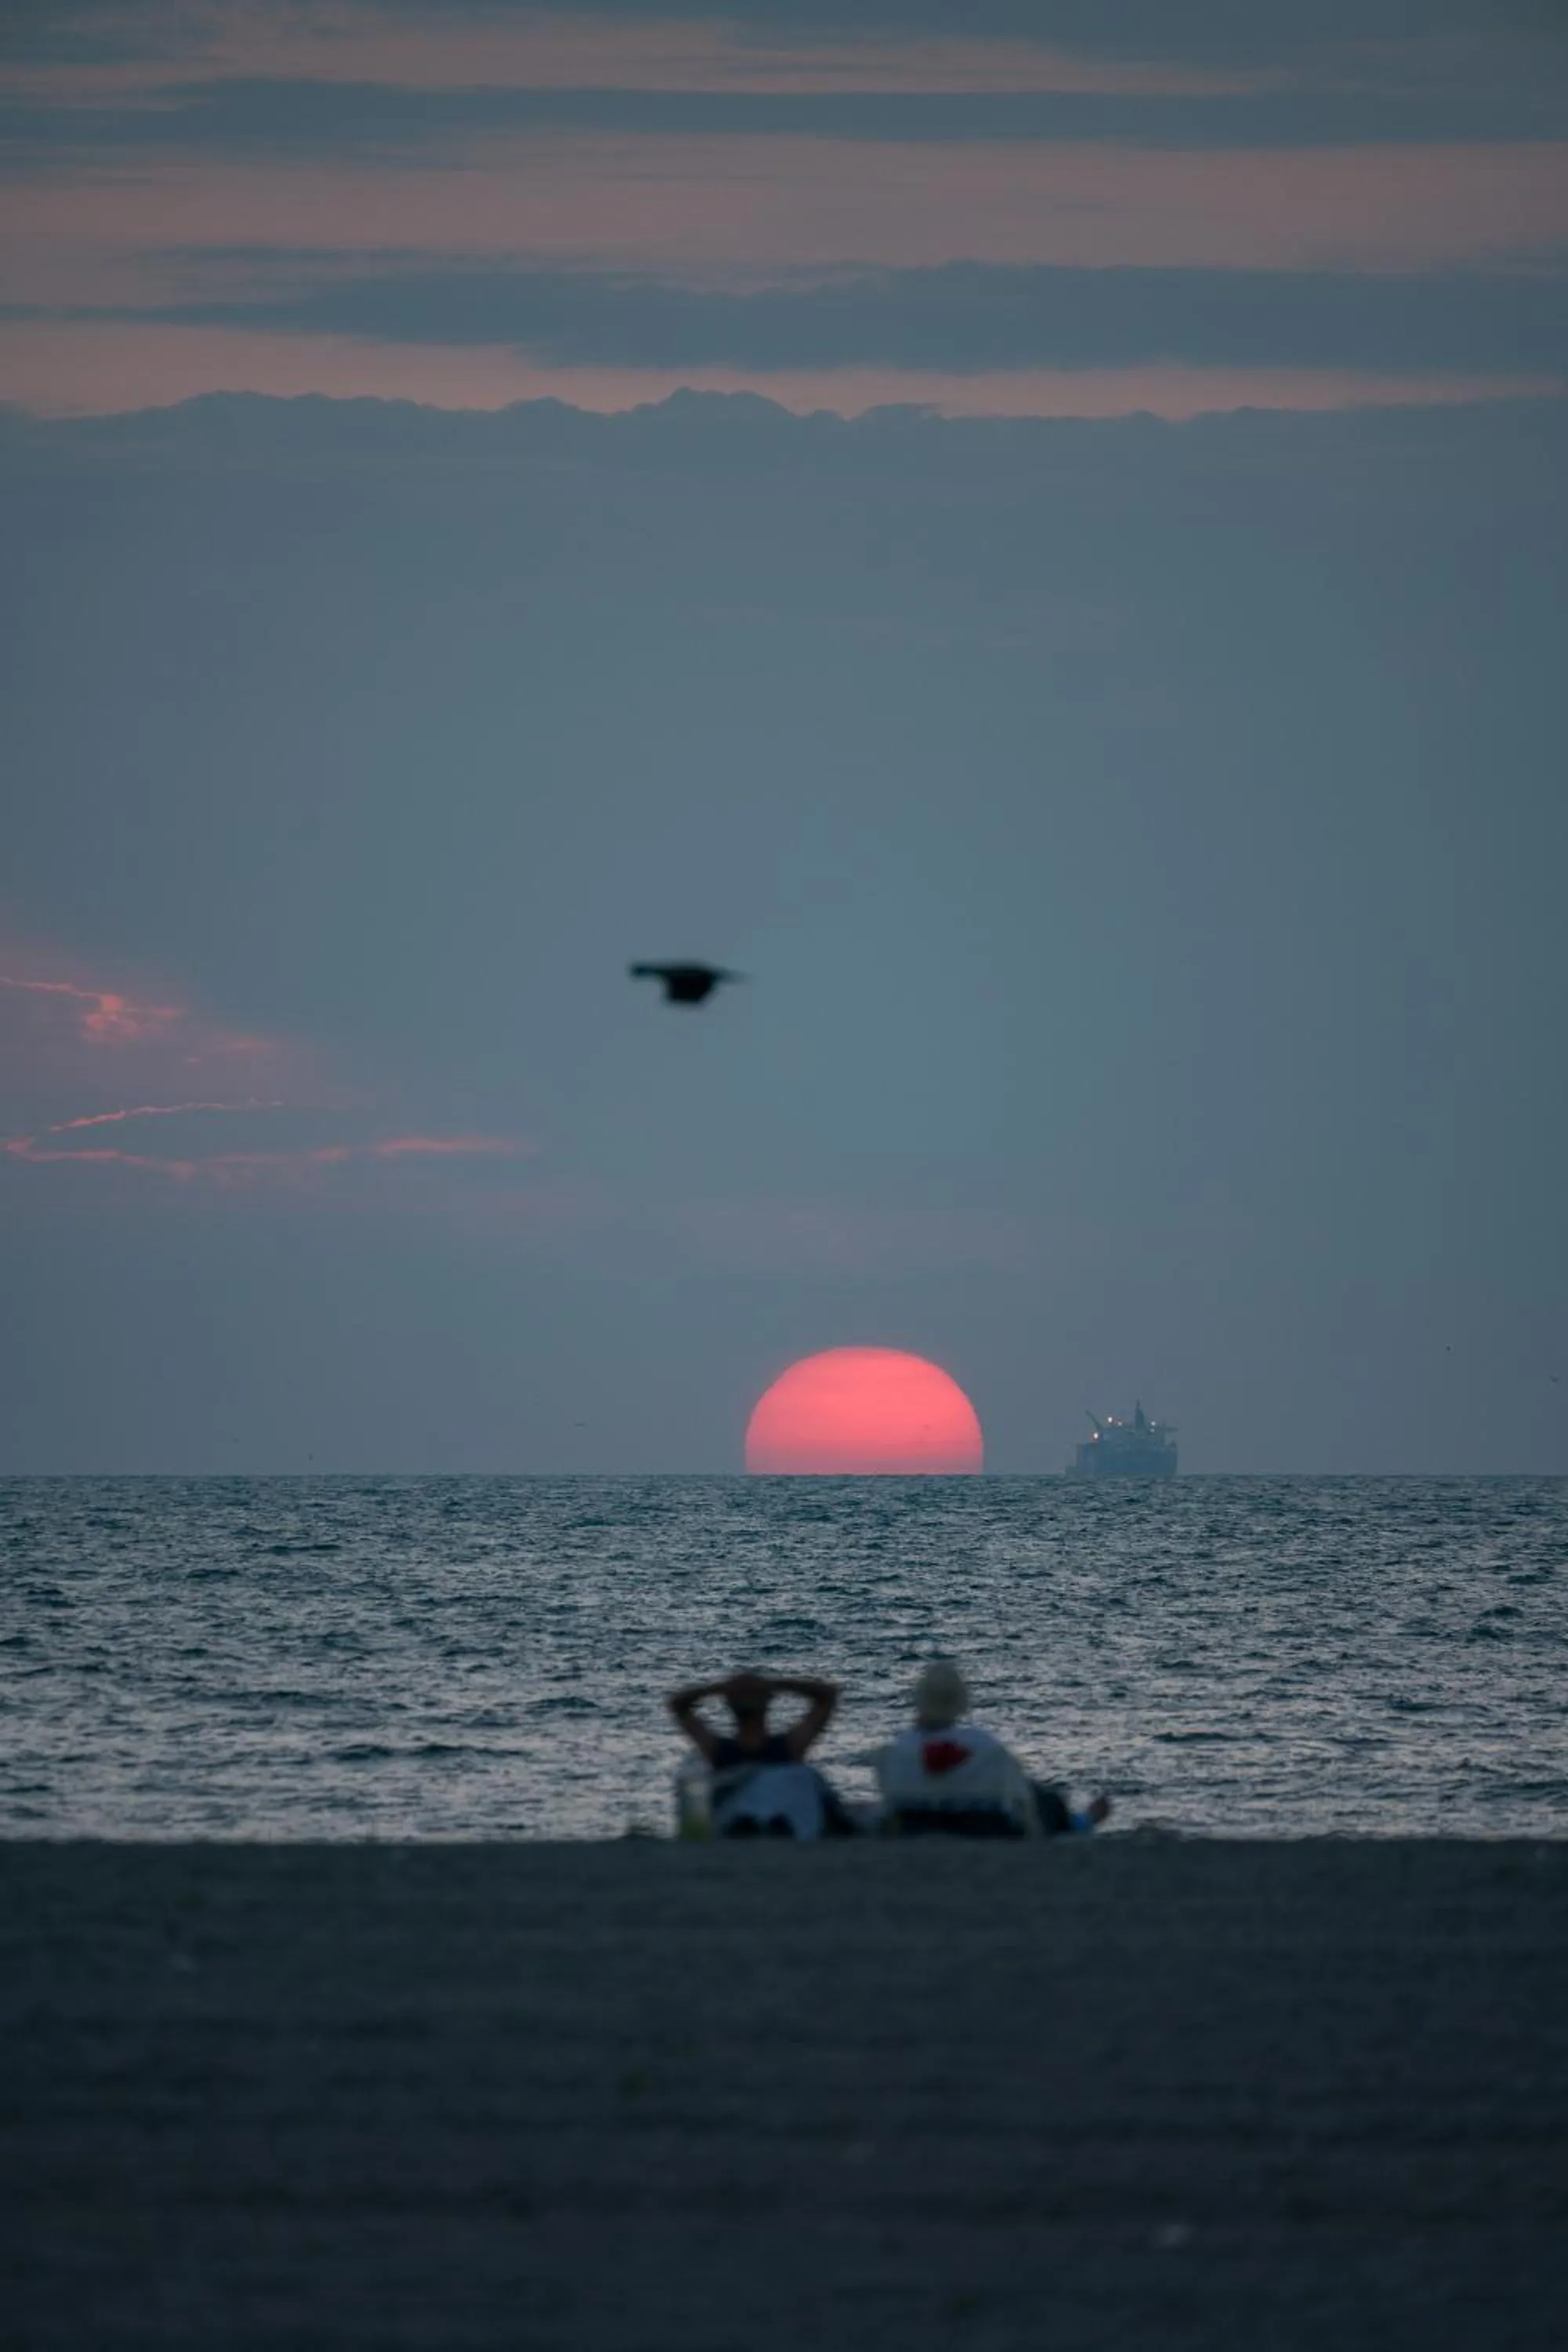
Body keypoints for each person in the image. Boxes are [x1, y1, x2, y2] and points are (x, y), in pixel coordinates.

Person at [875, 1657, 1112, 1839]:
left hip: (916, 1825)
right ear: (963, 1700)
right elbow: (1021, 1801)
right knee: (1042, 1797)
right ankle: (1083, 1821)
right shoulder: (984, 1747)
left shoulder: (894, 1753)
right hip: (986, 1829)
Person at [667, 1670, 850, 1837]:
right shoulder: (720, 1749)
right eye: (744, 1693)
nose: (748, 1694)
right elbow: (677, 1704)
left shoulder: (787, 1746)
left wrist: (770, 1684)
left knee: (800, 1776)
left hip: (777, 1819)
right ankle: (755, 1823)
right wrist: (727, 1687)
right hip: (745, 1821)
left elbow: (828, 1695)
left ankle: (765, 1823)